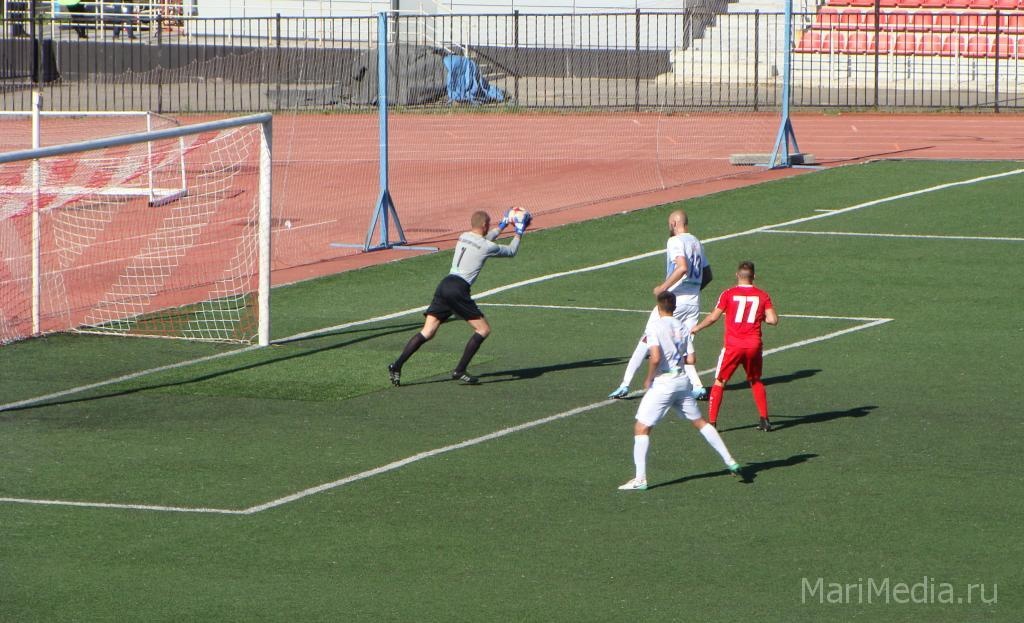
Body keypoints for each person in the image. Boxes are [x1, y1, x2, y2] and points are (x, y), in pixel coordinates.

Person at [388, 208, 529, 386]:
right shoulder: (487, 246)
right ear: (485, 225)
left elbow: (484, 241)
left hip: (444, 285)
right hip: (458, 289)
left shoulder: (463, 236)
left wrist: (502, 225)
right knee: (483, 330)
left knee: (427, 332)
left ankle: (396, 365)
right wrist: (519, 231)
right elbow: (511, 251)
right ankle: (460, 370)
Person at [618, 290, 742, 491]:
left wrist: (649, 377)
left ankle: (640, 479)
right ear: (674, 307)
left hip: (664, 383)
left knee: (641, 428)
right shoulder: (683, 327)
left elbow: (655, 357)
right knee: (700, 422)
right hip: (683, 382)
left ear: (658, 307)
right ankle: (730, 460)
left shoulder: (654, 327)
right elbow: (691, 359)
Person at [609, 209, 712, 400]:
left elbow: (682, 267)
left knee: (647, 339)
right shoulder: (697, 242)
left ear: (674, 223)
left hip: (674, 300)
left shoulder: (675, 241)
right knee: (684, 344)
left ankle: (625, 384)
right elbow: (708, 275)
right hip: (693, 302)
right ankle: (698, 387)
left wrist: (662, 288)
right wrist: (693, 289)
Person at [691, 260, 779, 431]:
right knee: (755, 380)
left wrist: (698, 327)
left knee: (720, 381)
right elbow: (773, 320)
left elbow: (713, 317)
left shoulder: (728, 294)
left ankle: (713, 422)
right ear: (754, 276)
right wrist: (760, 317)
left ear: (737, 275)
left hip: (733, 346)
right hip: (753, 345)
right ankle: (764, 419)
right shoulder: (762, 295)